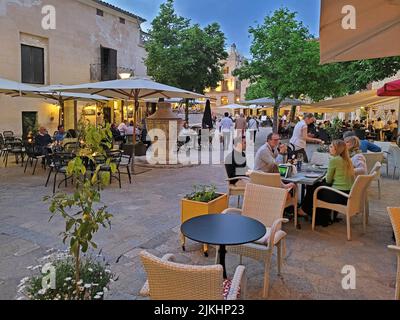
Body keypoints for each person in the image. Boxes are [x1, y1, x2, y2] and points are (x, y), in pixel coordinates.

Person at [299, 140, 355, 226]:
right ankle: (309, 211)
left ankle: (306, 211)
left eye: (332, 146)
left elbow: (328, 180)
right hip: (347, 194)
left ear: (337, 149)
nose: (329, 148)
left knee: (313, 187)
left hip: (339, 195)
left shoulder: (335, 160)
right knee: (316, 186)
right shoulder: (347, 160)